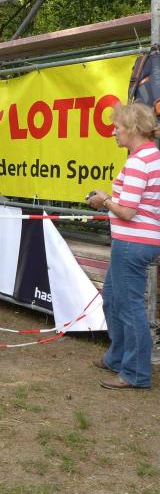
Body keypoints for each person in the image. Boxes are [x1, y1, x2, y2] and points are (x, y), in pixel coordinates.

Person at [87, 102, 160, 390]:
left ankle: (135, 373)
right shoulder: (150, 156)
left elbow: (128, 212)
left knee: (129, 308)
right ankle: (117, 357)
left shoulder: (139, 162)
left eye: (117, 127)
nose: (113, 132)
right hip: (136, 241)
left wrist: (104, 200)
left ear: (132, 129)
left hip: (132, 242)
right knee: (113, 299)